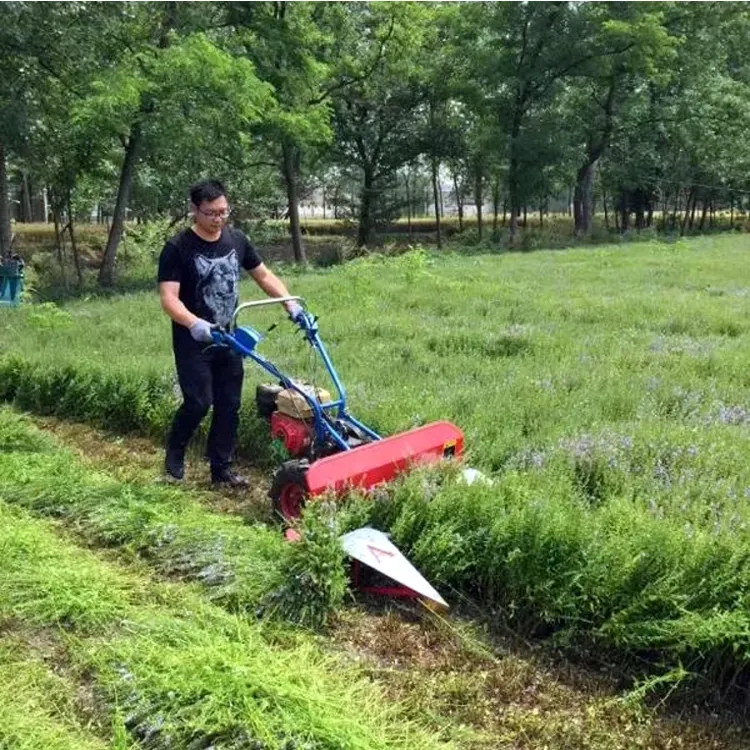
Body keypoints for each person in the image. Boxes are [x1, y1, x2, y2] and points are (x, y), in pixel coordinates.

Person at [157, 178, 302, 486]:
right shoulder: (178, 248)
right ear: (195, 210)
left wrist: (290, 303)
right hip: (193, 339)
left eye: (223, 211)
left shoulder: (236, 239)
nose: (218, 219)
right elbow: (169, 299)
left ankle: (221, 470)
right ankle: (175, 450)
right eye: (211, 213)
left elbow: (263, 274)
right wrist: (195, 323)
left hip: (229, 337)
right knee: (199, 401)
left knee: (229, 405)